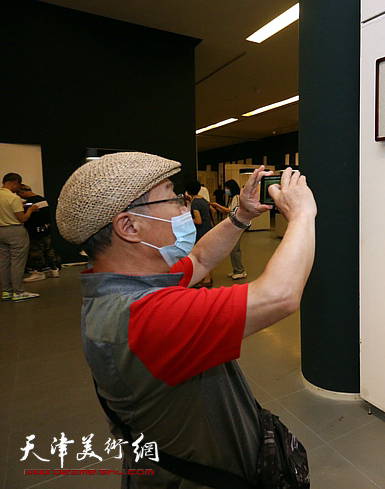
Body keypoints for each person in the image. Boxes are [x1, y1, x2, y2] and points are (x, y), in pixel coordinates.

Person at [55, 151, 316, 487]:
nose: (185, 208)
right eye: (174, 199)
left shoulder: (126, 288)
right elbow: (279, 295)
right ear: (129, 226)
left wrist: (241, 215)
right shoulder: (144, 316)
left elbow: (201, 259)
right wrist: (302, 215)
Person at [0, 173, 40, 302]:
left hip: (1, 232)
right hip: (15, 231)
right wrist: (30, 210)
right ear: (15, 182)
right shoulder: (13, 198)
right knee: (17, 262)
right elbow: (22, 218)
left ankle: (6, 291)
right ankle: (18, 292)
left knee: (4, 262)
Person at [17, 184, 61, 282]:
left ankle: (38, 271)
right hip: (45, 229)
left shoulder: (30, 204)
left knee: (35, 251)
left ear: (22, 192)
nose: (19, 197)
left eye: (19, 194)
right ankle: (54, 269)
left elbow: (23, 215)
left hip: (34, 231)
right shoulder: (42, 200)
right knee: (48, 249)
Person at [210, 179, 247, 279]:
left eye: (227, 188)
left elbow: (231, 210)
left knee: (235, 249)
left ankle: (240, 270)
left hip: (237, 226)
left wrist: (217, 205)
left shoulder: (236, 197)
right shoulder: (231, 198)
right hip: (233, 226)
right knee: (232, 249)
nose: (226, 190)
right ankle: (236, 269)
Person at [185, 179, 213, 287]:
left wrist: (186, 219)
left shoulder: (195, 202)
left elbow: (198, 220)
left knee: (201, 257)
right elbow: (212, 212)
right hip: (207, 229)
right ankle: (207, 277)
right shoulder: (204, 200)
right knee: (207, 255)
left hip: (200, 231)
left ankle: (206, 279)